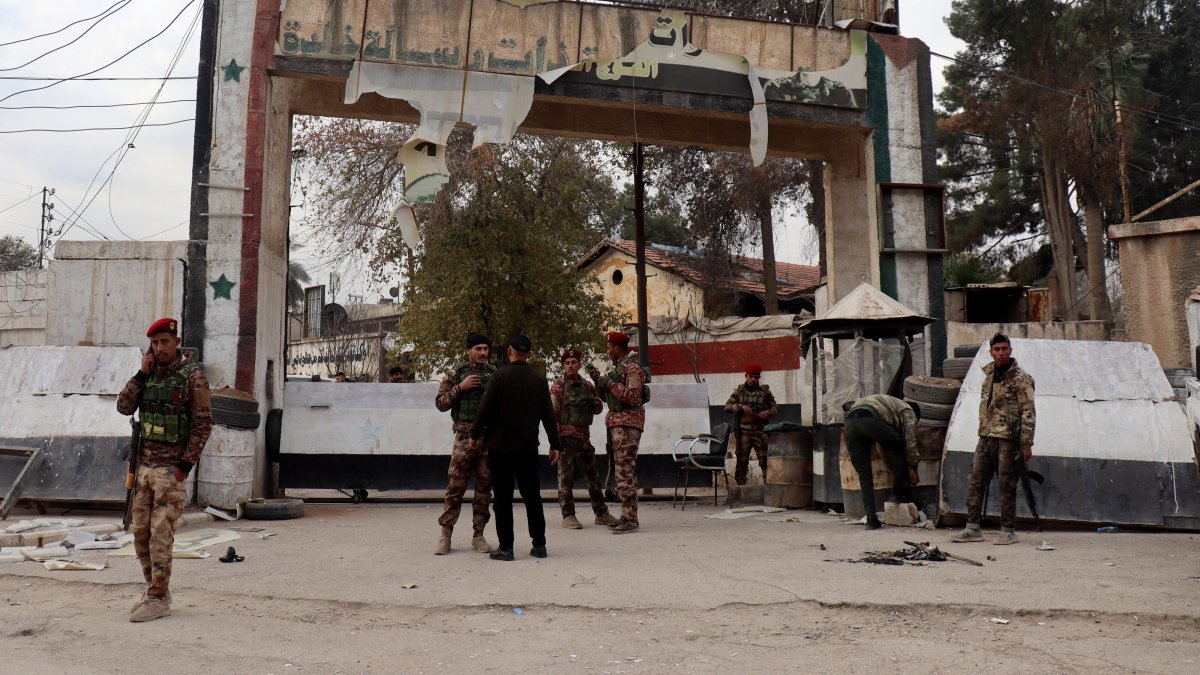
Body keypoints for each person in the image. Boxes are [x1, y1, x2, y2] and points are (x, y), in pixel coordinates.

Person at [115, 317, 212, 622]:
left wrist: (183, 468)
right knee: (140, 533)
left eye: (164, 342)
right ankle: (154, 590)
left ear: (176, 341)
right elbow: (123, 407)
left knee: (160, 534)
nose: (159, 349)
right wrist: (141, 375)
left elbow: (202, 425)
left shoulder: (192, 377)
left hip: (170, 471)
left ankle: (158, 596)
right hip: (144, 467)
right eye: (155, 343)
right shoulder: (148, 375)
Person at [470, 335, 562, 561]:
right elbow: (548, 416)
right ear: (529, 353)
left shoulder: (498, 376)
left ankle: (506, 548)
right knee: (533, 496)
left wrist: (474, 434)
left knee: (502, 498)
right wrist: (555, 444)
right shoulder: (539, 379)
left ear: (509, 350)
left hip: (500, 448)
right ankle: (539, 545)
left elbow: (484, 410)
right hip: (528, 448)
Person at [951, 333, 1036, 545]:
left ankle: (1007, 530)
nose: (1000, 353)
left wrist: (1026, 444)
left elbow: (1028, 412)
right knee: (975, 480)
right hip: (986, 436)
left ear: (1010, 350)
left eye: (1004, 349)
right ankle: (972, 527)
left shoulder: (1021, 378)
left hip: (1008, 439)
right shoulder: (988, 376)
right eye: (997, 350)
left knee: (1006, 484)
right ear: (991, 352)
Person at [432, 332, 496, 555]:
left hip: (487, 441)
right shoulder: (455, 374)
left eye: (486, 349)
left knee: (484, 489)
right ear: (468, 351)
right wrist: (461, 387)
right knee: (455, 488)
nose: (482, 353)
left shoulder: (494, 374)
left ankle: (478, 534)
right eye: (478, 348)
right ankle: (446, 534)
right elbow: (440, 404)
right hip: (464, 438)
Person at [586, 331, 648, 535]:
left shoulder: (632, 368)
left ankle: (631, 519)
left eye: (609, 346)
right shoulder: (619, 367)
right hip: (618, 425)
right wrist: (599, 381)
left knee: (625, 472)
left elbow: (632, 396)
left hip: (628, 425)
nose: (607, 350)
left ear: (618, 348)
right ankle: (626, 513)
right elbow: (607, 399)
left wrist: (609, 383)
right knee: (621, 471)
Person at [551, 348, 619, 530]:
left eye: (574, 362)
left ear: (579, 365)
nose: (570, 366)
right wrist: (555, 442)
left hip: (583, 438)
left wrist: (591, 397)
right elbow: (553, 415)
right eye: (567, 363)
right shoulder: (558, 386)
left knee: (593, 477)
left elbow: (598, 407)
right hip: (566, 438)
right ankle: (568, 515)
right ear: (563, 366)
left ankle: (601, 513)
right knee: (566, 479)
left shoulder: (587, 386)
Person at [841, 395, 921, 530]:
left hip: (850, 422)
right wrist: (913, 468)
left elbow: (882, 446)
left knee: (864, 473)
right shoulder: (908, 410)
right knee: (901, 445)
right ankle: (898, 494)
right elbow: (910, 442)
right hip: (869, 419)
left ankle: (871, 519)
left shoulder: (887, 406)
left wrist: (897, 472)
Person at [723, 363, 779, 485]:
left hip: (761, 431)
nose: (753, 379)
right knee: (741, 462)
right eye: (751, 376)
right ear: (746, 376)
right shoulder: (739, 392)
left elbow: (775, 409)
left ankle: (768, 488)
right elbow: (727, 407)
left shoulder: (765, 392)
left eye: (756, 377)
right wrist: (740, 406)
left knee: (765, 461)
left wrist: (767, 413)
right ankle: (741, 491)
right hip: (743, 433)